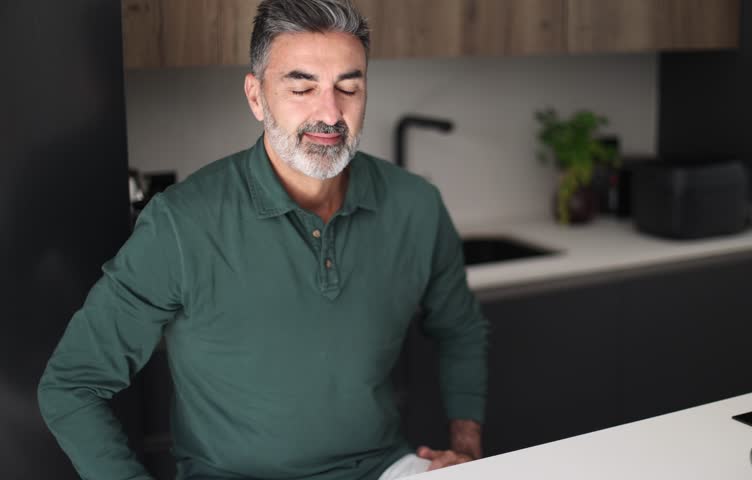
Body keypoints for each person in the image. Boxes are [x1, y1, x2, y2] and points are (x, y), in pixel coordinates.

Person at [36, 1, 489, 479]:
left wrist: (466, 447)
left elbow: (461, 327)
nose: (330, 113)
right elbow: (72, 385)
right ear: (256, 97)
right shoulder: (181, 223)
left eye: (348, 87)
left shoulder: (416, 205)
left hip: (382, 468)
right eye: (301, 87)